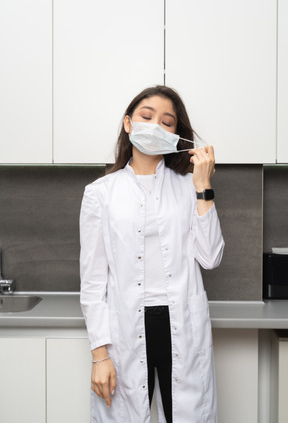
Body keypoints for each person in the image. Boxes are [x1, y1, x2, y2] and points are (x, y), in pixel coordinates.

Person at [80, 85, 224, 423]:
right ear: (129, 124)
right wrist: (99, 356)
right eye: (147, 117)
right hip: (126, 327)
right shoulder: (100, 193)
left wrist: (203, 186)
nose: (156, 125)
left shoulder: (188, 187)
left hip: (182, 324)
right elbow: (92, 283)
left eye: (167, 122)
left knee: (188, 415)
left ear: (177, 136)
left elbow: (211, 257)